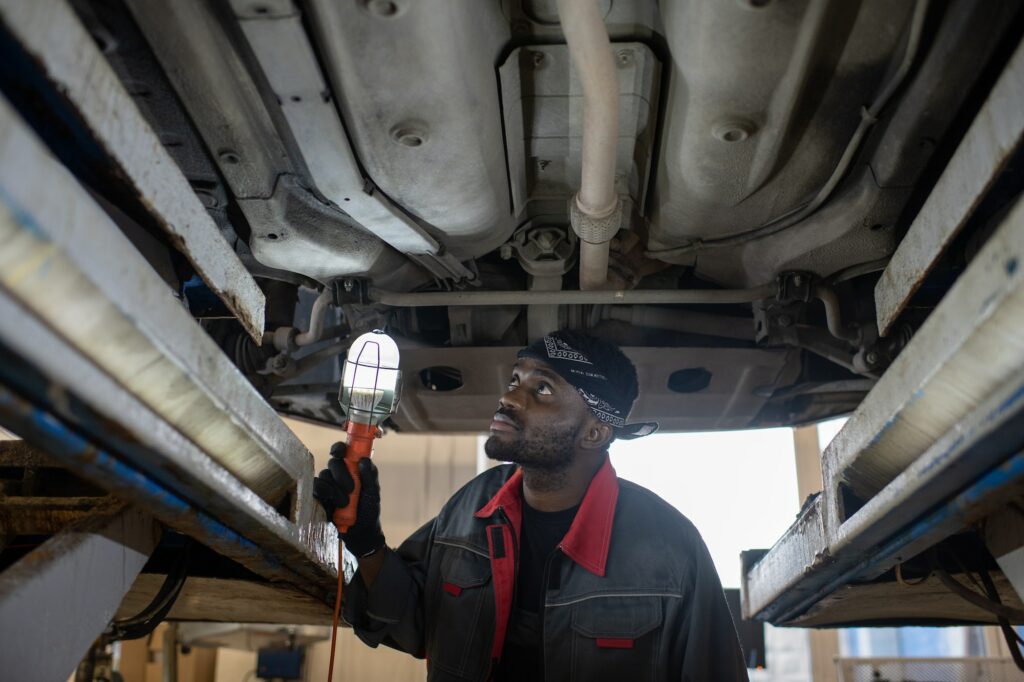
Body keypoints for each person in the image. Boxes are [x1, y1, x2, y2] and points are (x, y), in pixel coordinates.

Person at [314, 330, 749, 681]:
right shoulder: (469, 508)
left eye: (542, 388)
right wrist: (368, 542)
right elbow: (411, 623)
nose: (510, 398)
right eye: (515, 381)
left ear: (594, 433)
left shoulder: (671, 548)